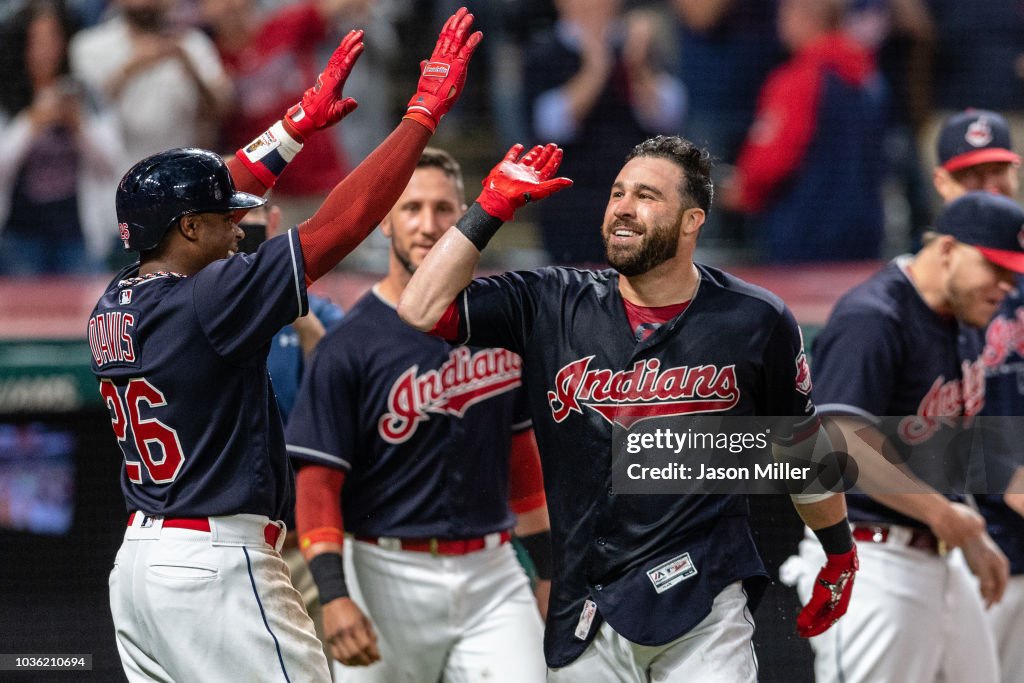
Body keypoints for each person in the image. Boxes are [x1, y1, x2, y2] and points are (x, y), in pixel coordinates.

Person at [89, 10, 481, 681]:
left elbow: (218, 185)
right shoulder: (209, 297)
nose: (242, 224)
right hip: (216, 567)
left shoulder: (118, 296)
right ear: (186, 230)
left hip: (141, 572)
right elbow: (347, 220)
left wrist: (296, 124)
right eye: (224, 218)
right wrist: (421, 114)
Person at [397, 135, 858, 681]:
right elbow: (420, 309)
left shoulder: (755, 319)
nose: (622, 207)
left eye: (646, 195)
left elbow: (800, 451)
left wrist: (838, 552)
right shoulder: (550, 300)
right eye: (617, 193)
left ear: (692, 221)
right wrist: (490, 207)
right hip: (585, 610)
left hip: (703, 603)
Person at [286, 146, 551, 681]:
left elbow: (521, 459)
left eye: (443, 209)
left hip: (491, 572)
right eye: (411, 209)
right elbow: (317, 485)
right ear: (384, 219)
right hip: (384, 569)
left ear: (464, 218)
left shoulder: (497, 325)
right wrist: (334, 595)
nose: (428, 225)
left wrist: (548, 572)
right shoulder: (350, 345)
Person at [780, 189, 1024, 682]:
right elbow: (838, 442)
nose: (1005, 284)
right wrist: (943, 514)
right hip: (872, 561)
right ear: (949, 249)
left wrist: (968, 536)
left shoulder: (961, 317)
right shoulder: (874, 315)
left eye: (1012, 271)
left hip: (938, 557)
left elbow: (946, 441)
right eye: (994, 267)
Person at [933, 108, 1024, 683]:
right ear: (940, 183)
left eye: (1000, 172)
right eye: (972, 176)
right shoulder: (935, 294)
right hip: (970, 559)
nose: (991, 188)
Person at [717, 0, 887, 263]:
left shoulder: (798, 79)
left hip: (804, 232)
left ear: (804, 15)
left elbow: (770, 162)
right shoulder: (870, 77)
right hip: (864, 231)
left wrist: (743, 191)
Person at [524, 0, 687, 265]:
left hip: (637, 199)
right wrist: (596, 68)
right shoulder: (544, 51)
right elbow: (551, 126)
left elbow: (669, 117)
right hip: (571, 205)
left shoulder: (639, 47)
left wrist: (636, 65)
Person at [0, 0, 125, 274]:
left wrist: (78, 124)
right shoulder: (8, 93)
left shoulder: (85, 92)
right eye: (36, 40)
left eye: (52, 38)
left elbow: (111, 160)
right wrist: (32, 120)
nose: (45, 50)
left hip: (76, 232)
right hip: (19, 233)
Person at [69, 0, 232, 166]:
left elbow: (222, 108)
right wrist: (130, 68)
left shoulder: (192, 44)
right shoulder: (88, 45)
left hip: (179, 170)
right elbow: (89, 113)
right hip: (114, 177)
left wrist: (191, 70)